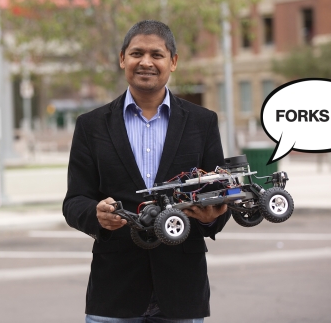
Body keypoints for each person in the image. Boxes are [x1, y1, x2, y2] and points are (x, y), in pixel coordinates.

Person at [63, 20, 231, 323]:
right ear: (122, 59)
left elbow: (220, 193)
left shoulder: (202, 122)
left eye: (156, 54)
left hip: (182, 289)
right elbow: (74, 201)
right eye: (136, 53)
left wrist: (214, 216)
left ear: (173, 62)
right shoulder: (91, 125)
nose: (146, 62)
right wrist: (96, 214)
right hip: (114, 291)